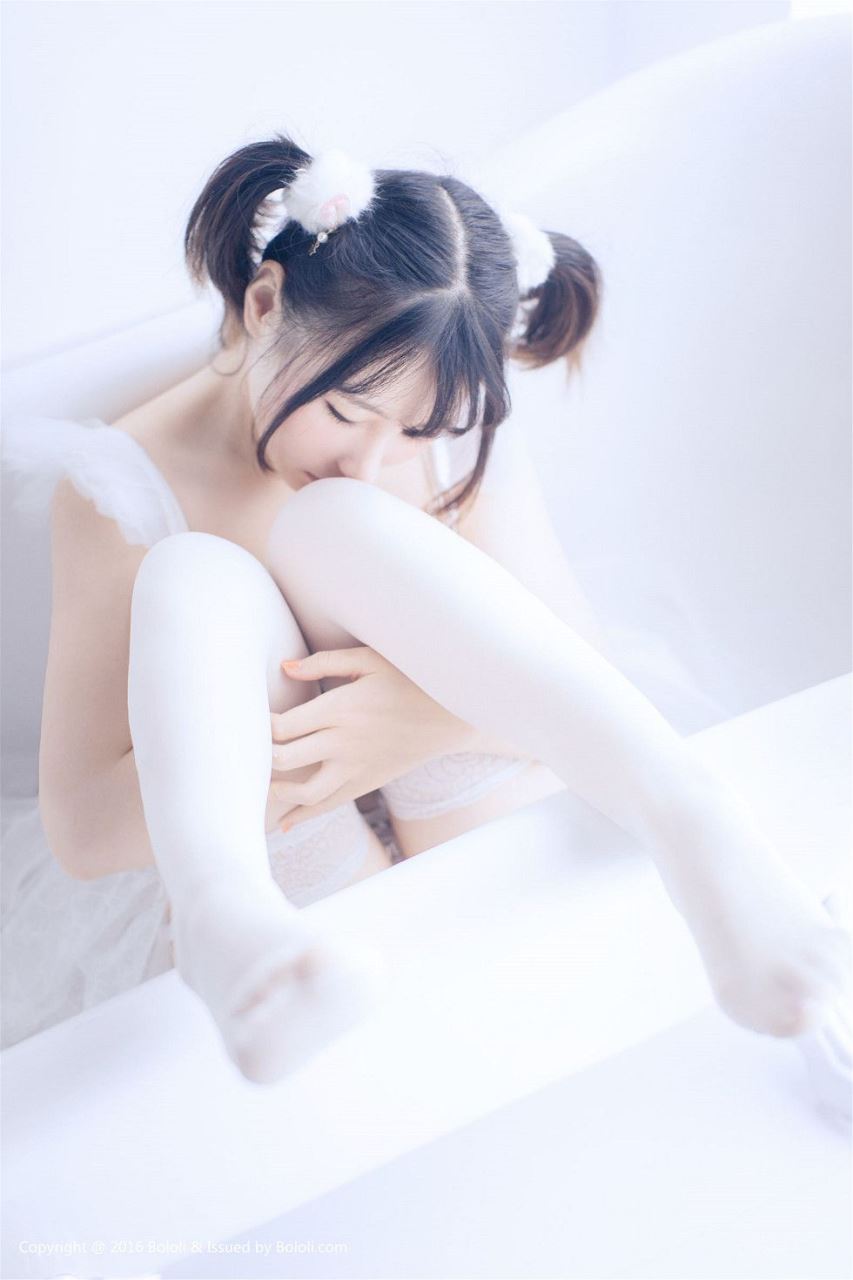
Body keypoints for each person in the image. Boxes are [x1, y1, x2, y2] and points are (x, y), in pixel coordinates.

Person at [2, 139, 849, 1101]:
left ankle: (694, 823)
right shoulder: (118, 485)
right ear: (266, 303)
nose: (370, 462)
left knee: (335, 524)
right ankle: (221, 921)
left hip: (476, 810)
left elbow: (578, 663)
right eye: (344, 412)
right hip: (293, 879)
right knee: (195, 576)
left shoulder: (449, 419)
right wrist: (300, 753)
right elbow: (83, 831)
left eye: (414, 434)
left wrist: (417, 723)